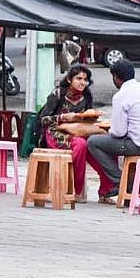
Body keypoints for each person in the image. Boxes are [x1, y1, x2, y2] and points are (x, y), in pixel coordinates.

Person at [87, 60, 140, 202]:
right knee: (122, 142)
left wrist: (107, 128)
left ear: (115, 77)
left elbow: (118, 132)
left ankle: (121, 181)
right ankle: (128, 187)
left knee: (94, 142)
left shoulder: (121, 95)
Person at [38, 65, 109, 200]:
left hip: (80, 131)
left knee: (102, 144)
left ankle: (106, 191)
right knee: (80, 145)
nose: (82, 82)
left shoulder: (86, 95)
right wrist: (62, 117)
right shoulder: (58, 94)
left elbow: (88, 117)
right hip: (56, 132)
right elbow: (43, 120)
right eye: (78, 78)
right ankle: (74, 189)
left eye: (85, 79)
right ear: (70, 79)